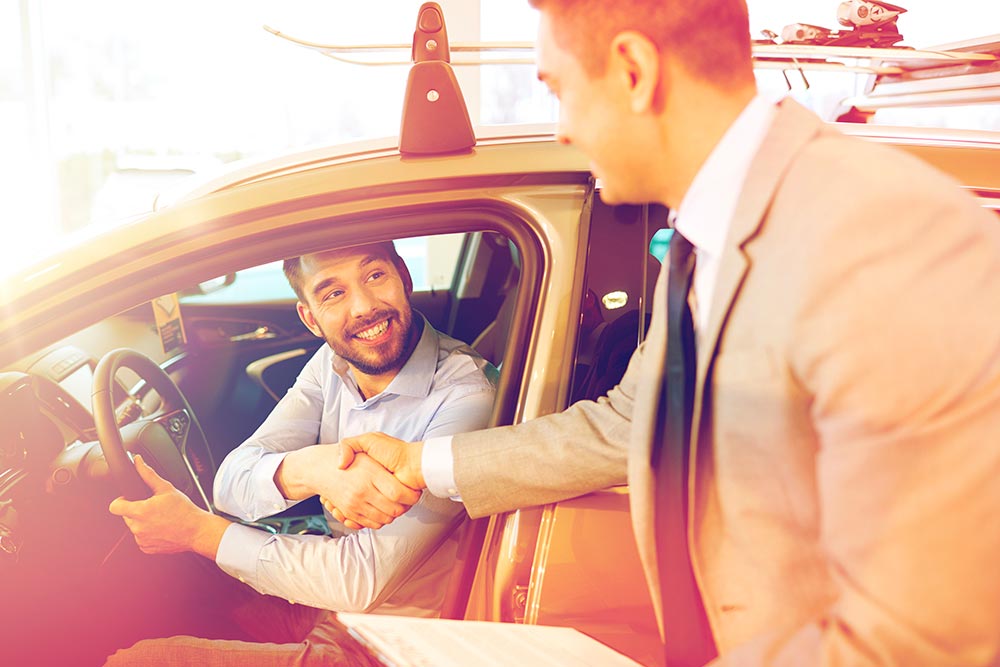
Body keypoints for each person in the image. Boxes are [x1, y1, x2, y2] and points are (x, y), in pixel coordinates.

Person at [327, 1, 1000, 665]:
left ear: (633, 70)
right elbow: (629, 422)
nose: (561, 130)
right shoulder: (706, 237)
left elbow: (921, 638)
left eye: (558, 91)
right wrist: (426, 463)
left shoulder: (887, 241)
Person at [105, 241, 497, 666]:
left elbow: (361, 581)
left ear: (403, 274)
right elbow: (230, 483)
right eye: (333, 293)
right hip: (333, 606)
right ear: (310, 318)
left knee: (138, 660)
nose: (364, 307)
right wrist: (314, 468)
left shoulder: (466, 396)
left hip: (392, 643)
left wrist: (199, 532)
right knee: (191, 575)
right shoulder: (333, 363)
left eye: (374, 276)